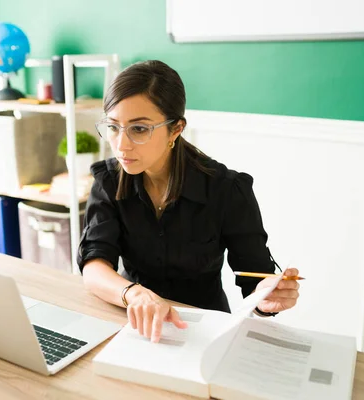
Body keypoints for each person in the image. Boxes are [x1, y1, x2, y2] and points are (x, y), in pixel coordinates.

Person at [77, 60, 300, 343]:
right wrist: (135, 294)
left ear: (175, 129)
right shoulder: (108, 180)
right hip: (132, 322)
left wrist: (267, 301)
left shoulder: (227, 190)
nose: (121, 144)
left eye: (139, 129)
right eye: (113, 126)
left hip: (203, 331)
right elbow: (94, 267)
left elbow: (256, 282)